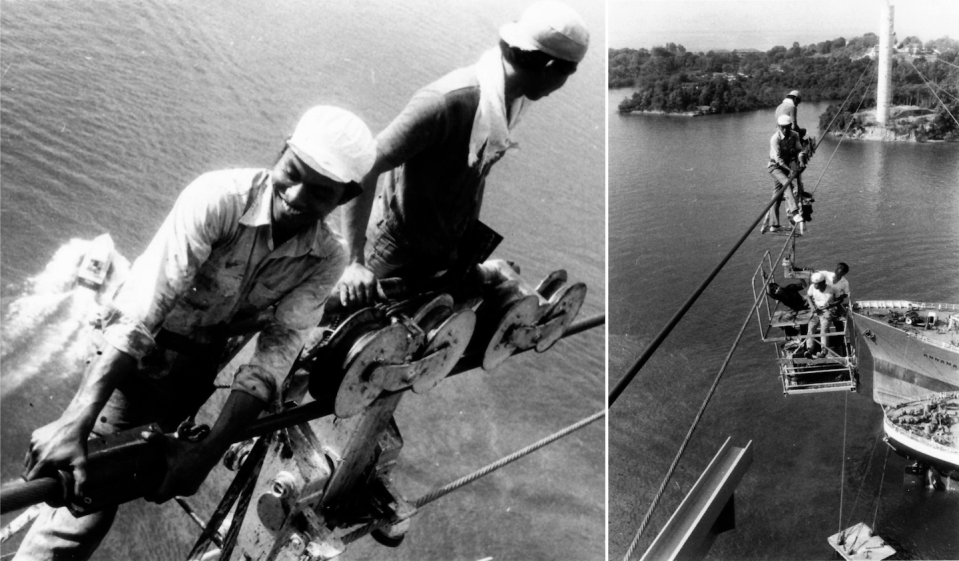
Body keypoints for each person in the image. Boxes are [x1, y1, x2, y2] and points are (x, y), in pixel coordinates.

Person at [16, 106, 376, 561]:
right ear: (281, 150)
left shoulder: (326, 258)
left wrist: (204, 456)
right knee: (88, 501)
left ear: (344, 198)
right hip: (133, 361)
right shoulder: (220, 198)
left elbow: (273, 359)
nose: (297, 197)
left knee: (120, 474)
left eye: (321, 192)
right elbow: (144, 310)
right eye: (292, 173)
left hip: (195, 372)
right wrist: (75, 420)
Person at [333, 1, 589, 309]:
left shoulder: (506, 104)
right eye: (567, 75)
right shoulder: (447, 103)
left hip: (437, 251)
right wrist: (353, 262)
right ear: (550, 69)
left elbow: (471, 175)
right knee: (338, 329)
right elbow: (364, 165)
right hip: (391, 250)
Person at [763, 114, 808, 233]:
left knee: (776, 196)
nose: (785, 130)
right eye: (782, 127)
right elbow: (778, 159)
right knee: (788, 184)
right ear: (778, 126)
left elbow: (799, 150)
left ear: (790, 126)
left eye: (787, 127)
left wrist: (802, 159)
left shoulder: (794, 135)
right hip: (775, 167)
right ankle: (794, 212)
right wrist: (790, 170)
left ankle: (774, 225)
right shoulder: (775, 138)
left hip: (785, 167)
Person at [803, 272, 837, 358]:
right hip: (816, 310)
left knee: (823, 330)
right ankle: (809, 349)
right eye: (814, 283)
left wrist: (820, 308)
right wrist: (812, 306)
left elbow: (828, 302)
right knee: (811, 328)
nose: (815, 286)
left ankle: (823, 351)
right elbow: (808, 296)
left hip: (826, 311)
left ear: (823, 282)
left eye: (816, 284)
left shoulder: (830, 290)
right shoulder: (812, 287)